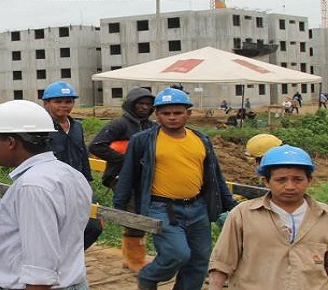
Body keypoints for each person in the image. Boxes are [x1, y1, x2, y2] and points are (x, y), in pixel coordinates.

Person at [113, 87, 237, 290]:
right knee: (177, 254)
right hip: (162, 208)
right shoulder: (143, 140)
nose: (172, 117)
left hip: (197, 207)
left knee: (199, 260)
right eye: (166, 113)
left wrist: (230, 204)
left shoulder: (201, 140)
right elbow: (128, 175)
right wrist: (120, 207)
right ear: (157, 114)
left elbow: (215, 176)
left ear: (188, 113)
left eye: (178, 112)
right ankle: (148, 276)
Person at [0, 100, 91, 290]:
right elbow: (58, 222)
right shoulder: (69, 174)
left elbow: (40, 269)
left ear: (10, 142)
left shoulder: (33, 186)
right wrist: (0, 209)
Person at [208, 145, 328, 290]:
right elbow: (222, 263)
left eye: (298, 179)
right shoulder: (243, 214)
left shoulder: (324, 216)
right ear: (266, 181)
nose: (290, 186)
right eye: (281, 180)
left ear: (310, 180)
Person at [89, 87, 156, 272]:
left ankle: (132, 257)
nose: (145, 107)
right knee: (133, 215)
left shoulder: (151, 126)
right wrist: (126, 159)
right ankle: (134, 260)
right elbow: (96, 146)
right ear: (131, 104)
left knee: (142, 213)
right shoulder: (120, 124)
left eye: (148, 104)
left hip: (143, 179)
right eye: (140, 103)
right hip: (120, 177)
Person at [41, 81, 102, 250]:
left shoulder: (77, 127)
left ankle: (69, 255)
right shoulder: (41, 128)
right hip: (51, 186)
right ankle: (56, 258)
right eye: (58, 101)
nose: (64, 105)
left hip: (78, 184)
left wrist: (87, 182)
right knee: (54, 227)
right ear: (46, 103)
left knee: (93, 226)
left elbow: (83, 155)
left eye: (68, 101)